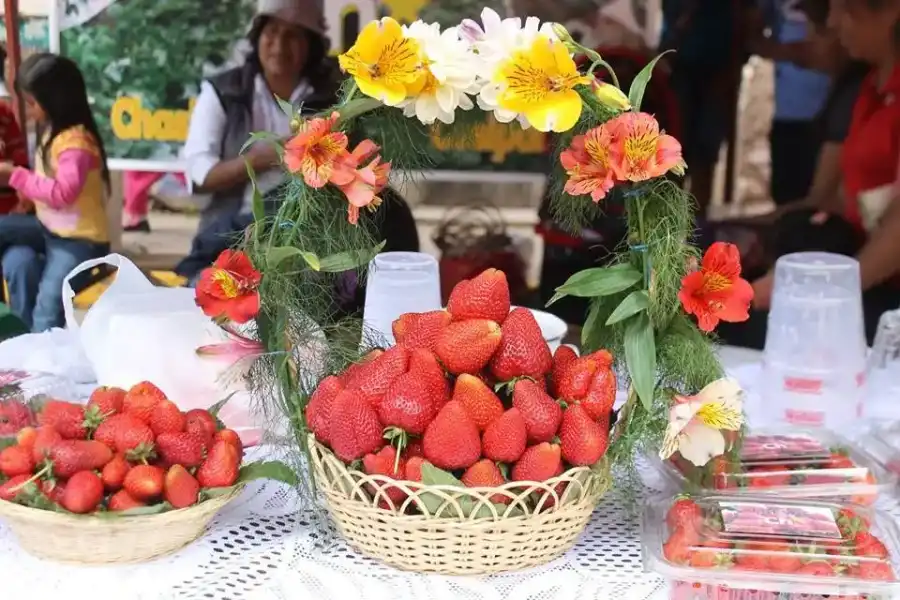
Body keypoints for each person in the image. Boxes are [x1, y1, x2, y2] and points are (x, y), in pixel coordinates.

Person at [734, 0, 900, 348]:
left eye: (846, 10)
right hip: (864, 276)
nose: (835, 23)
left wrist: (823, 290)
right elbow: (841, 201)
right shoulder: (870, 88)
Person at [181, 0, 340, 242]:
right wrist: (260, 159)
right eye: (272, 31)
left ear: (311, 45)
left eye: (293, 36)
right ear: (257, 36)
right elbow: (200, 176)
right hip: (232, 233)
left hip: (312, 235)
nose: (279, 45)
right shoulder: (223, 92)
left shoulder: (332, 99)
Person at [0, 53, 110, 331]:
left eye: (32, 103)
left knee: (48, 309)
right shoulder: (54, 133)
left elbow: (63, 193)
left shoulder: (76, 144)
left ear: (54, 102)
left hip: (78, 242)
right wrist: (29, 194)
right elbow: (45, 181)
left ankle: (42, 360)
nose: (30, 111)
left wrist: (15, 176)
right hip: (51, 229)